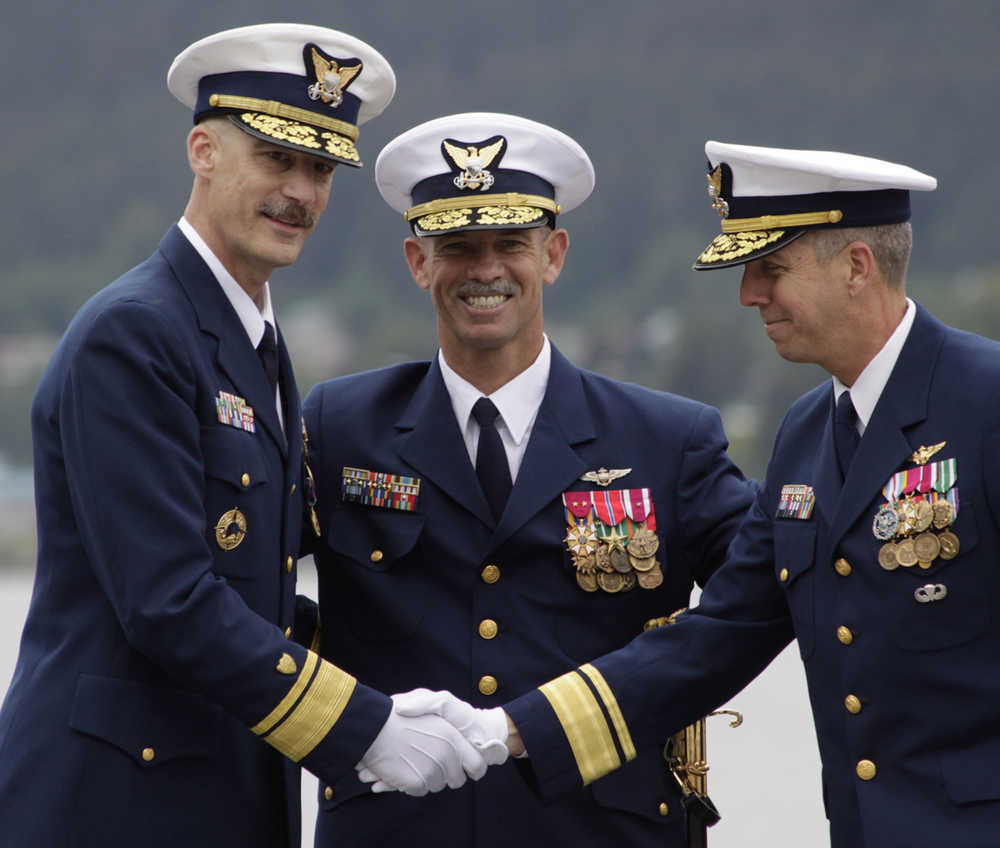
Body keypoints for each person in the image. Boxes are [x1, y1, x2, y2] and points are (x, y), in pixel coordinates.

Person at [0, 25, 492, 847]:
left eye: (322, 169)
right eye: (277, 159)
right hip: (109, 805)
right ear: (202, 151)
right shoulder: (136, 334)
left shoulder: (249, 342)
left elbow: (255, 591)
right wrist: (366, 726)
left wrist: (415, 668)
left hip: (209, 790)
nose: (300, 191)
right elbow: (171, 603)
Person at [494, 141, 1000, 848]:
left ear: (857, 267)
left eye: (770, 269)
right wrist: (514, 729)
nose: (749, 294)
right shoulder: (804, 436)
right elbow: (719, 636)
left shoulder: (984, 401)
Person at [302, 113, 755, 847]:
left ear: (554, 255)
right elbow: (235, 577)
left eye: (511, 244)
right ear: (418, 261)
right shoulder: (341, 427)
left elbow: (761, 599)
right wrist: (337, 703)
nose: (486, 270)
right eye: (458, 247)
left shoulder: (668, 442)